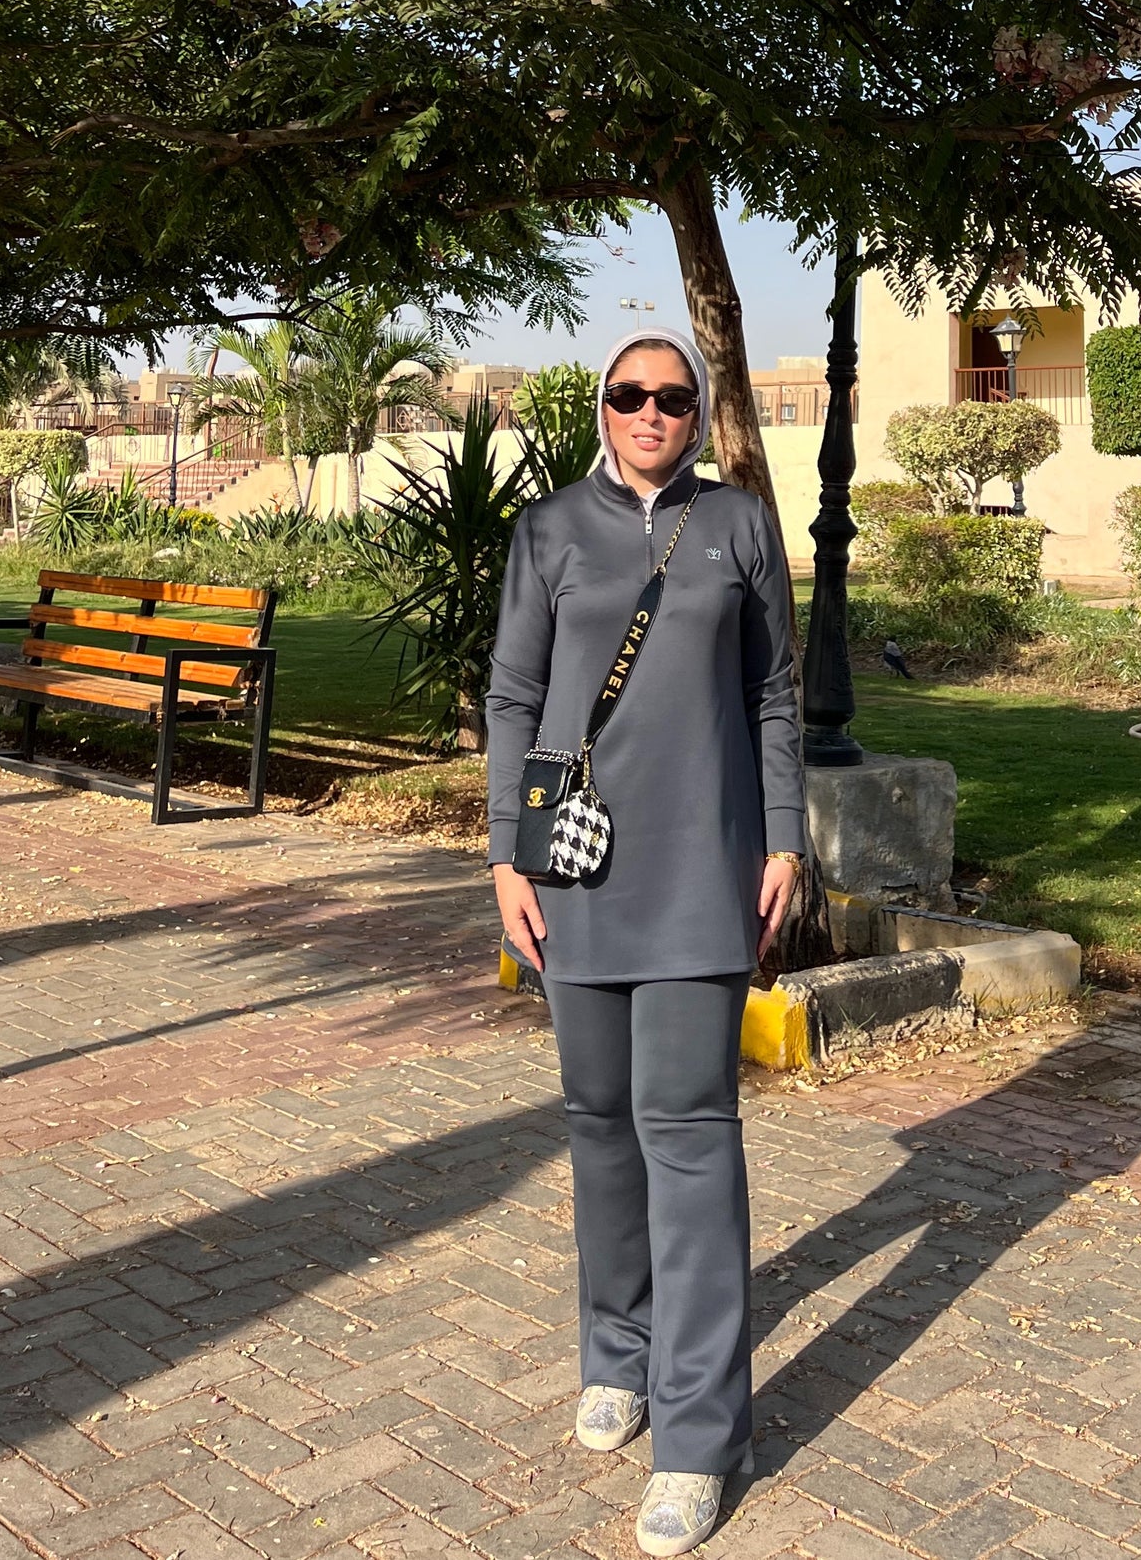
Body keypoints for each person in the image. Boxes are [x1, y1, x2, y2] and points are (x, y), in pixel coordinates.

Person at [487, 329, 805, 1558]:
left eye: (673, 397)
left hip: (700, 875)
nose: (650, 413)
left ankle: (697, 1437)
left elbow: (772, 692)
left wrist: (782, 839)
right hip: (574, 871)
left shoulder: (737, 524)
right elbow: (516, 698)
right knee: (597, 1123)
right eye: (629, 396)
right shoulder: (549, 531)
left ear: (698, 410)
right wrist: (507, 854)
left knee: (686, 1133)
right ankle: (614, 1354)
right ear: (602, 408)